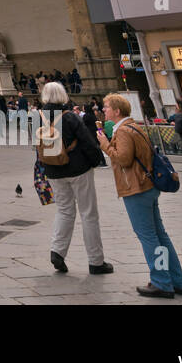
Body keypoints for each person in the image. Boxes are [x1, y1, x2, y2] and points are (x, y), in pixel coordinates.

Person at [97, 93, 182, 298]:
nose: (104, 110)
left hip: (136, 188)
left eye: (106, 107)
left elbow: (123, 159)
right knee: (160, 236)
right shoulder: (134, 126)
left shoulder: (122, 130)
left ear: (117, 110)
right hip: (148, 186)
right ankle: (178, 280)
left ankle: (162, 282)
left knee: (148, 237)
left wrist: (104, 144)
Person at [39, 82, 113, 275]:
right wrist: (96, 160)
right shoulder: (70, 117)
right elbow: (88, 141)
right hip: (78, 170)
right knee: (88, 214)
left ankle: (57, 251)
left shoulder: (40, 118)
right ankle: (96, 261)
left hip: (54, 171)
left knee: (64, 211)